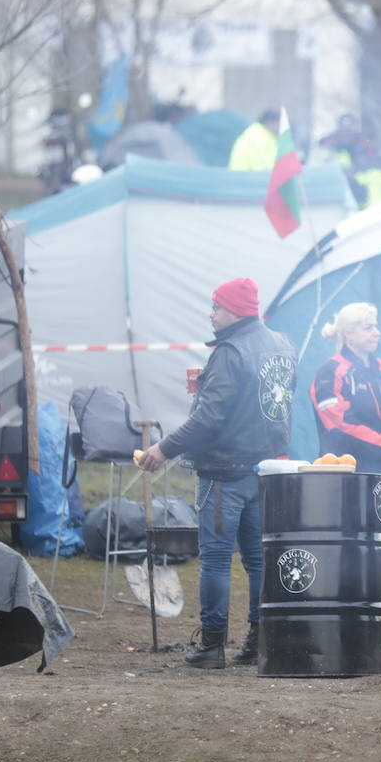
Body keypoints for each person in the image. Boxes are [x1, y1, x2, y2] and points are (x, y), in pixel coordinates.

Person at [137, 277, 296, 668]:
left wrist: (163, 449)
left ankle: (211, 646)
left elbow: (209, 418)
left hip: (224, 471)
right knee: (259, 560)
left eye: (216, 307)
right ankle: (259, 641)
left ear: (235, 311)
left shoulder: (229, 352)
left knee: (215, 559)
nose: (211, 313)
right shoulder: (282, 345)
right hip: (268, 469)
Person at [310, 302, 381, 631]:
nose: (376, 333)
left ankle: (378, 606)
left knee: (379, 540)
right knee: (349, 540)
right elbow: (339, 423)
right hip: (350, 472)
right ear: (347, 333)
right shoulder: (330, 372)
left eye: (375, 326)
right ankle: (346, 607)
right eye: (367, 326)